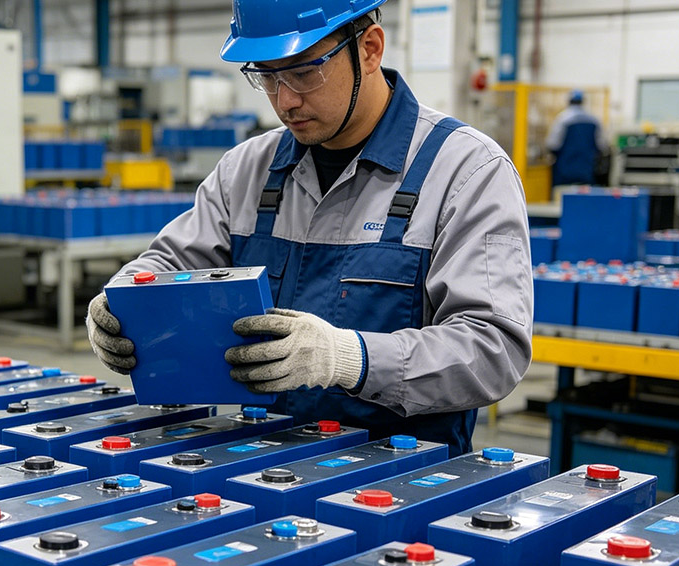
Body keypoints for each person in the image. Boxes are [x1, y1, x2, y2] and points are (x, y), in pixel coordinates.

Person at [87, 0, 532, 457]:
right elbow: (168, 264)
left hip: (401, 482)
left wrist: (349, 358)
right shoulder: (247, 170)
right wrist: (121, 301)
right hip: (255, 467)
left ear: (371, 49)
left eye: (303, 73)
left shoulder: (466, 172)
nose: (285, 101)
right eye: (266, 76)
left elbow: (493, 348)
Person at [546, 89, 607, 187]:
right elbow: (602, 145)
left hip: (564, 172)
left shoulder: (562, 119)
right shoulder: (594, 120)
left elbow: (552, 144)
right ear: (583, 101)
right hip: (587, 171)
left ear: (569, 101)